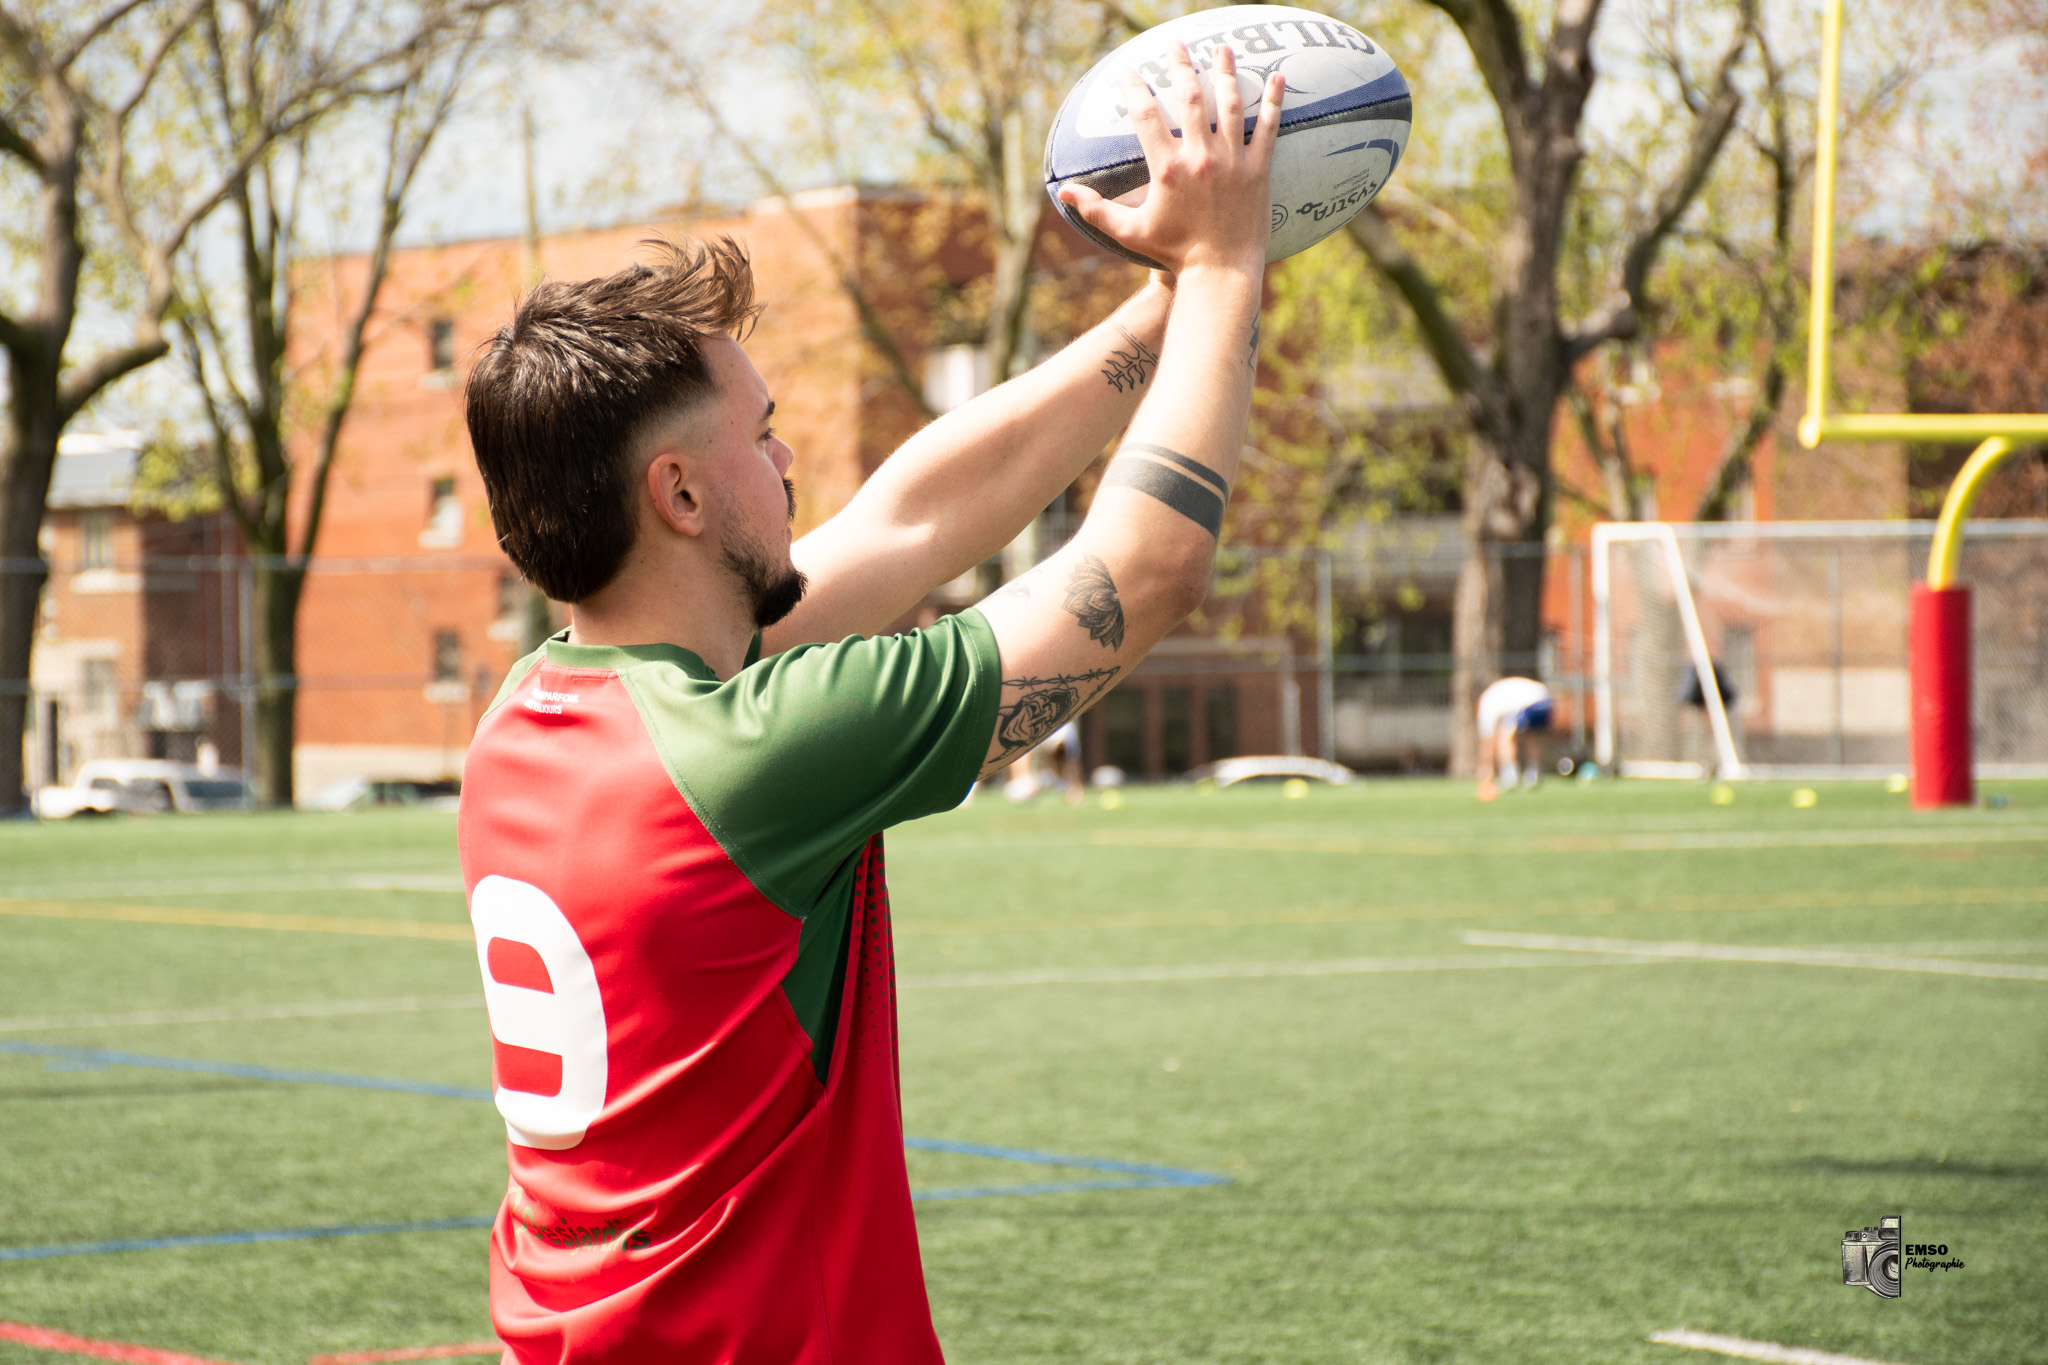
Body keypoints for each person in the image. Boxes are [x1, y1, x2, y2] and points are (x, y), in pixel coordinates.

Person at [456, 44, 1283, 1364]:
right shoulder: (757, 754)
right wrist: (1236, 268)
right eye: (764, 435)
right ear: (678, 496)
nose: (789, 464)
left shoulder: (530, 715)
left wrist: (1175, 299)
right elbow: (1148, 570)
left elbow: (910, 520)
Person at [1474, 675, 1553, 801]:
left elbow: (1488, 741)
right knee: (1532, 738)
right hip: (1545, 700)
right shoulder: (1497, 695)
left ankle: (1510, 777)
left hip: (1528, 703)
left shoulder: (1487, 703)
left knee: (1505, 739)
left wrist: (1486, 769)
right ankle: (1533, 775)